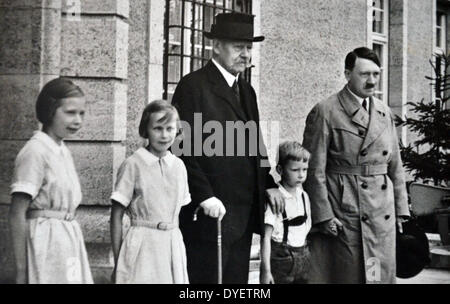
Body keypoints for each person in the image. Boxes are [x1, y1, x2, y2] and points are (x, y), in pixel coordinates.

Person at [171, 12, 283, 284]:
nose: (246, 55)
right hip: (209, 214)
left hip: (243, 214)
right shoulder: (193, 86)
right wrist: (204, 196)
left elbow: (256, 142)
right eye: (238, 47)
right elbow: (181, 149)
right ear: (216, 46)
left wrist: (268, 181)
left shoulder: (247, 91)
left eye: (249, 48)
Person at [302, 47, 410, 284]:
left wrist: (401, 210)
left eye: (376, 74)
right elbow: (314, 170)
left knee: (376, 275)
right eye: (364, 74)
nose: (371, 81)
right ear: (347, 73)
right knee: (348, 275)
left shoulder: (383, 112)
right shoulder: (326, 111)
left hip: (381, 210)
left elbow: (395, 166)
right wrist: (323, 216)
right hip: (344, 209)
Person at [9, 77, 93, 284]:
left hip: (68, 240)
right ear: (49, 111)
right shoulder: (35, 151)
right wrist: (21, 269)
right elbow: (17, 212)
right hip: (45, 242)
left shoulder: (61, 150)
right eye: (70, 113)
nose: (77, 121)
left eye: (81, 113)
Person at [110, 100, 191, 284]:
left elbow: (181, 212)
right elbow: (116, 215)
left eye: (169, 129)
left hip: (172, 246)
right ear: (146, 130)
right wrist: (117, 262)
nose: (164, 135)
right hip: (142, 246)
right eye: (157, 129)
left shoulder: (179, 166)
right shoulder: (133, 164)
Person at [260, 141, 312, 284]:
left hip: (303, 258)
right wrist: (266, 271)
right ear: (280, 170)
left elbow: (306, 228)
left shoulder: (304, 196)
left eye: (305, 170)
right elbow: (265, 238)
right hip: (281, 261)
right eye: (295, 170)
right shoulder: (276, 199)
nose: (301, 175)